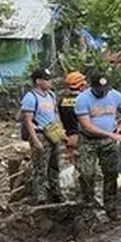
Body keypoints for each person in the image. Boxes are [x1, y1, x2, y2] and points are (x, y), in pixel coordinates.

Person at [75, 72, 121, 221]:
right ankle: (88, 205)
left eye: (105, 89)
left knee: (111, 173)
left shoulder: (115, 96)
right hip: (88, 140)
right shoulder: (82, 99)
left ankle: (111, 206)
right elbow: (86, 125)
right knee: (86, 174)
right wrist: (111, 135)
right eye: (99, 90)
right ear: (92, 87)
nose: (103, 92)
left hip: (109, 141)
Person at [20, 68, 64, 204]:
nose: (50, 82)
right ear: (38, 81)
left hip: (53, 132)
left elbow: (55, 114)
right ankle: (41, 196)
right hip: (40, 134)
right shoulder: (30, 98)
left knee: (54, 165)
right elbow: (27, 120)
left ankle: (56, 192)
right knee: (40, 167)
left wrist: (60, 131)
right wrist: (34, 140)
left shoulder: (51, 95)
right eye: (47, 80)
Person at [58, 71, 86, 162]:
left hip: (68, 136)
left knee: (72, 162)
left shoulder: (62, 100)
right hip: (81, 137)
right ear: (81, 85)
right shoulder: (83, 100)